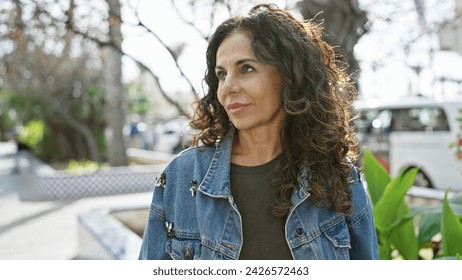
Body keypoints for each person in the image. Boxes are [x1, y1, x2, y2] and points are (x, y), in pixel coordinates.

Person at [139, 3, 379, 260]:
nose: (227, 87)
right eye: (221, 74)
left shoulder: (338, 177)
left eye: (246, 69)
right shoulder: (182, 176)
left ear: (290, 77)